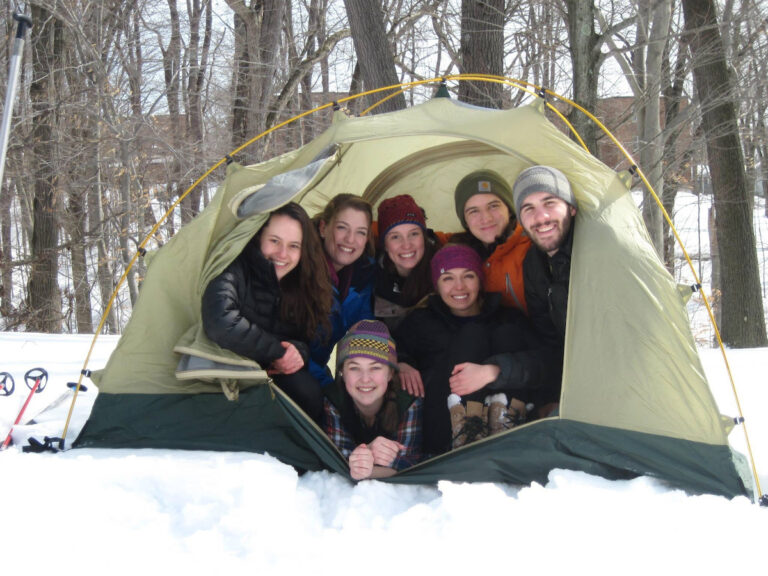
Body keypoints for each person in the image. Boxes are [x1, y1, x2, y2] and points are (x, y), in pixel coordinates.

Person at [394, 244, 555, 455]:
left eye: (468, 276)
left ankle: (504, 429)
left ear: (480, 279)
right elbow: (388, 353)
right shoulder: (422, 322)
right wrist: (400, 363)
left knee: (507, 334)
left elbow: (546, 365)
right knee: (472, 336)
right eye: (448, 278)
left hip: (512, 426)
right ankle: (466, 440)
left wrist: (494, 371)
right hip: (444, 430)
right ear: (437, 285)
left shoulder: (510, 318)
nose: (459, 286)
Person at [201, 202, 332, 422]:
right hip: (224, 371)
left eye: (293, 246)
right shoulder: (234, 267)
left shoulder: (300, 282)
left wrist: (297, 352)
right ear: (259, 237)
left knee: (309, 393)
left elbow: (302, 338)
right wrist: (276, 353)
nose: (282, 254)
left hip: (269, 375)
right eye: (274, 241)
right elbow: (220, 321)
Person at [513, 165, 578, 417]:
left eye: (549, 202)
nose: (540, 218)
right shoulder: (534, 263)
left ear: (571, 207)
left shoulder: (596, 251)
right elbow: (550, 340)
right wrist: (551, 397)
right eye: (528, 208)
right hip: (570, 380)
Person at [323, 319, 422, 480]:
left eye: (375, 368)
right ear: (342, 372)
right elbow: (338, 457)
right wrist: (366, 453)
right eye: (354, 368)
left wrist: (366, 467)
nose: (365, 379)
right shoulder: (334, 399)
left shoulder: (408, 401)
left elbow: (410, 463)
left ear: (390, 373)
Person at [310, 194, 377, 389]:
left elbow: (365, 331)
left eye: (360, 232)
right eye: (342, 228)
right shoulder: (301, 269)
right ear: (323, 228)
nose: (350, 240)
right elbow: (292, 348)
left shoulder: (362, 276)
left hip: (317, 371)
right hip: (289, 373)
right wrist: (329, 390)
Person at [452, 169, 531, 312]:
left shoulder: (531, 246)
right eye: (474, 211)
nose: (486, 218)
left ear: (509, 208)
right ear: (465, 221)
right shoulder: (462, 247)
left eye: (493, 206)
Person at [374, 194, 441, 332]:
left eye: (414, 234)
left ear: (424, 237)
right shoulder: (373, 278)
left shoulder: (445, 269)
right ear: (385, 245)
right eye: (395, 236)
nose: (406, 245)